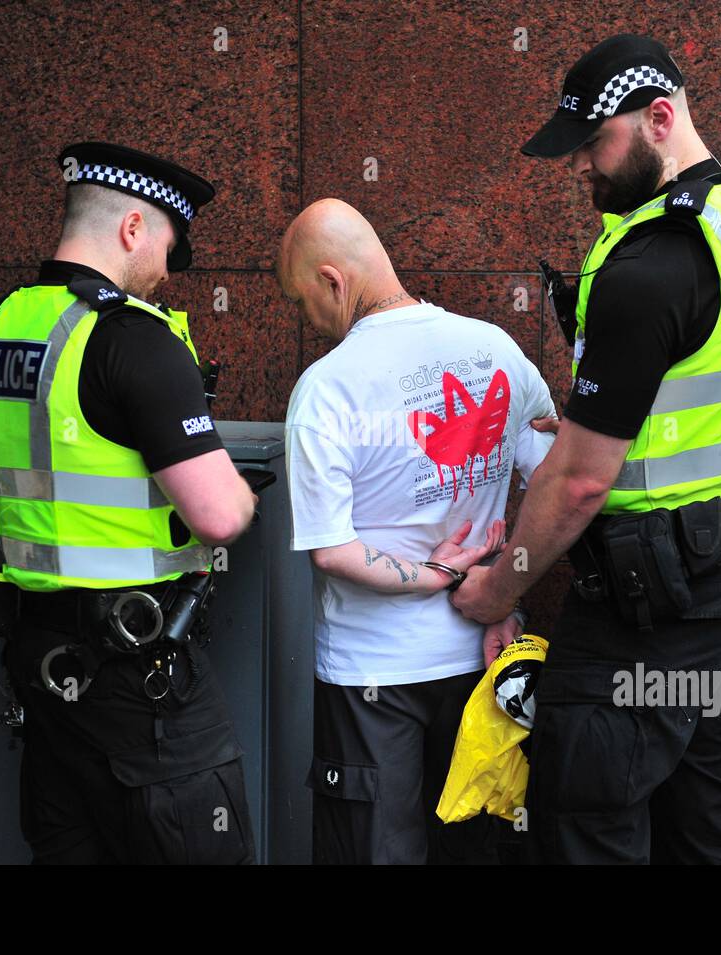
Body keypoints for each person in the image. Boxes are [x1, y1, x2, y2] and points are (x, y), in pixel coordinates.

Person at [450, 35, 721, 864]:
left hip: (652, 609)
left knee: (587, 814)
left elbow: (577, 485)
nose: (579, 166)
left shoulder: (654, 259)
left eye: (591, 143)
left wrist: (498, 592)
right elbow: (713, 383)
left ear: (658, 118)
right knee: (698, 808)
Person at [0, 141, 258, 864]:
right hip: (138, 680)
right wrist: (244, 495)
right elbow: (218, 516)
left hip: (44, 670)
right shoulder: (131, 336)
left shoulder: (2, 327)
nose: (164, 272)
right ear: (132, 228)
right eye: (167, 246)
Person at [277, 198, 557, 864]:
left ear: (332, 281)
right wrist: (503, 591)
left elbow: (332, 550)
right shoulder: (496, 348)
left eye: (301, 300)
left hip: (369, 678)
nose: (307, 320)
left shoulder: (325, 389)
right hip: (480, 666)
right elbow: (556, 481)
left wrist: (438, 573)